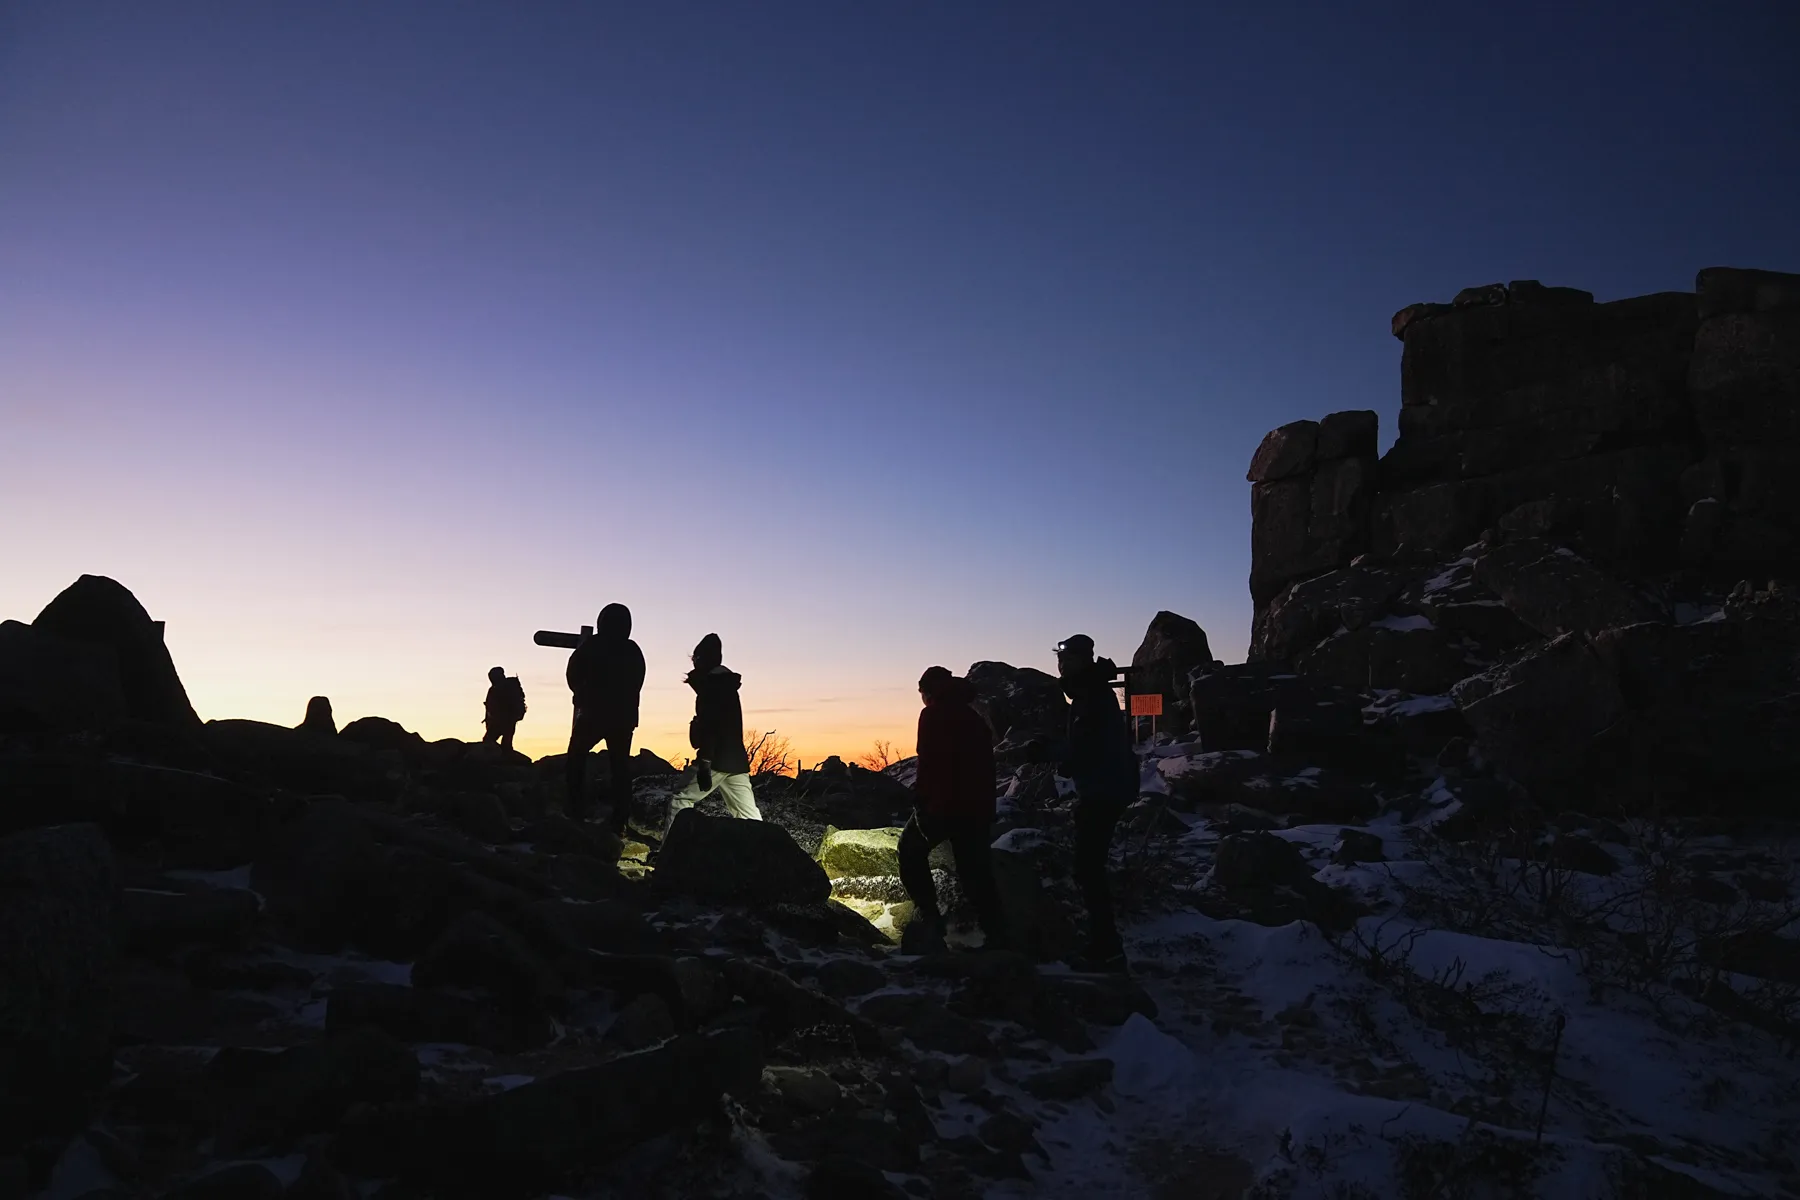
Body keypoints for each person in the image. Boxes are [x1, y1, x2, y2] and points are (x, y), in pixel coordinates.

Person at [898, 666, 1005, 953]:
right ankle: (996, 935)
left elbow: (930, 762)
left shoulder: (933, 714)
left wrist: (922, 801)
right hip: (977, 807)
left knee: (910, 851)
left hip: (944, 806)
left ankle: (930, 919)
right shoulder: (972, 716)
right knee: (976, 871)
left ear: (928, 691)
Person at [1055, 633, 1136, 972]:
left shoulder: (1091, 696)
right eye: (1059, 658)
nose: (1060, 665)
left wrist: (1054, 754)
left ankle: (1106, 949)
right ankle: (1104, 944)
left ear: (1081, 660)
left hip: (1104, 791)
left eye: (1066, 659)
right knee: (1090, 869)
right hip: (1105, 788)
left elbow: (1087, 748)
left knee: (1088, 870)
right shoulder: (1092, 692)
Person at [664, 633, 762, 837]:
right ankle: (770, 852)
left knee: (681, 799)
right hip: (735, 760)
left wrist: (705, 763)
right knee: (748, 814)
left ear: (702, 660)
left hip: (716, 759)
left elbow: (712, 727)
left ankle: (669, 853)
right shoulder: (726, 686)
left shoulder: (712, 688)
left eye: (696, 659)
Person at [565, 603, 647, 832]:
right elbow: (638, 680)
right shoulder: (632, 649)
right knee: (620, 767)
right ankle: (619, 817)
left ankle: (574, 810)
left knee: (576, 759)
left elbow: (573, 673)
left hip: (593, 713)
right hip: (623, 717)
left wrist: (582, 694)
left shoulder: (592, 645)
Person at [482, 666, 526, 751]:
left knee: (488, 741)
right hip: (510, 719)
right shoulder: (510, 686)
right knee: (506, 744)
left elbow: (491, 706)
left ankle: (502, 758)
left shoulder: (496, 689)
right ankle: (507, 757)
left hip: (500, 720)